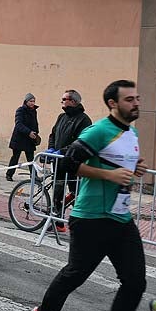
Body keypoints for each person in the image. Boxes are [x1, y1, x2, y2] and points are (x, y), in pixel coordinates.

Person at [33, 80, 148, 311]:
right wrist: (108, 176)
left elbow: (116, 163)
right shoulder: (98, 131)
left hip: (121, 219)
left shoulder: (130, 131)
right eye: (130, 99)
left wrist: (134, 169)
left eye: (137, 98)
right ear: (113, 103)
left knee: (135, 282)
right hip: (91, 218)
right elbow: (69, 163)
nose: (136, 103)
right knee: (75, 274)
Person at [47, 89, 92, 232]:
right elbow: (53, 134)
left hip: (73, 163)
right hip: (58, 162)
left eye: (64, 99)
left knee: (77, 193)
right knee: (57, 193)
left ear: (73, 101)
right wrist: (52, 149)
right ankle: (57, 223)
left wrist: (63, 151)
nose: (62, 102)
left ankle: (79, 224)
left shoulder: (84, 120)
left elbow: (80, 142)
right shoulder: (61, 117)